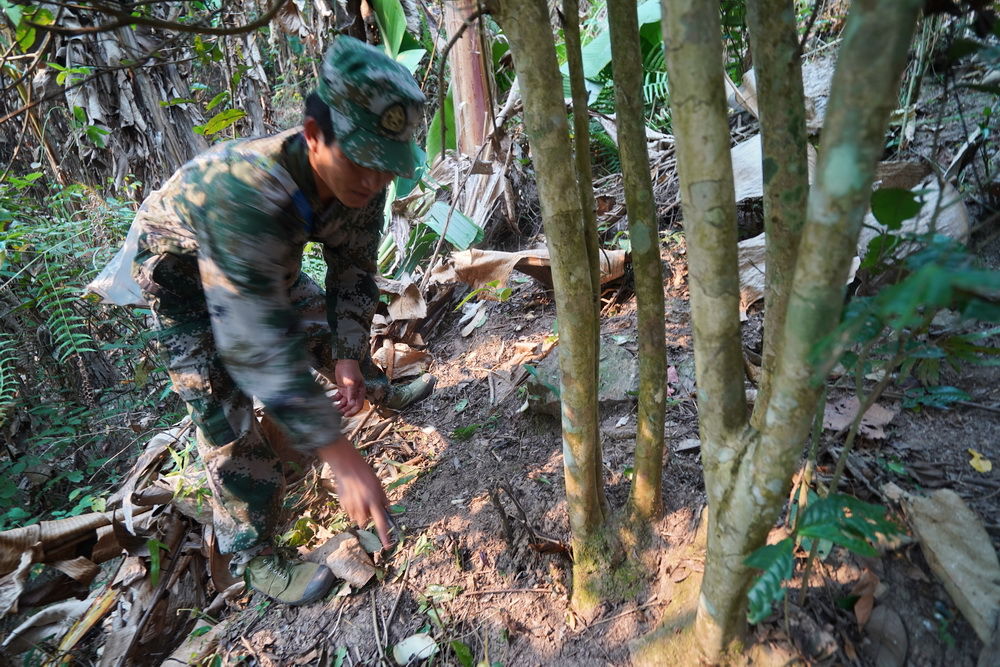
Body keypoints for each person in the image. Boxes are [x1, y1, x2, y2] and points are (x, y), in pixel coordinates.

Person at [129, 36, 433, 605]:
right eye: (361, 161)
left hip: (267, 262)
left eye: (386, 167)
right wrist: (340, 453)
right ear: (314, 134)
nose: (373, 181)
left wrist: (348, 357)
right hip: (184, 279)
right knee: (224, 415)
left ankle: (376, 387)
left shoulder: (364, 181)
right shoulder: (245, 193)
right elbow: (255, 343)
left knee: (330, 329)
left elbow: (353, 273)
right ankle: (255, 557)